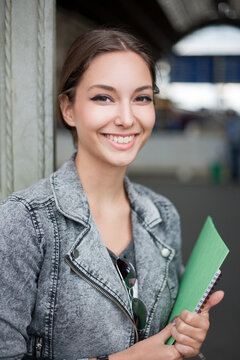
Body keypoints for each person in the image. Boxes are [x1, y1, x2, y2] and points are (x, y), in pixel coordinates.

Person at [0, 28, 223, 360]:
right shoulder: (24, 221)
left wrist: (186, 342)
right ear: (68, 108)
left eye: (141, 98)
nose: (126, 117)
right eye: (103, 97)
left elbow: (168, 342)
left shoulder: (161, 215)